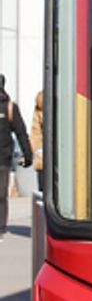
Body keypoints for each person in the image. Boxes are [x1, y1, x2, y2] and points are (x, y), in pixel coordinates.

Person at [0, 77, 34, 231]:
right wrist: (28, 155)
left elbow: (21, 132)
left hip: (3, 158)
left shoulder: (9, 108)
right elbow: (21, 133)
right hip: (4, 158)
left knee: (1, 194)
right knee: (1, 195)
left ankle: (0, 227)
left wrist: (28, 155)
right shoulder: (10, 107)